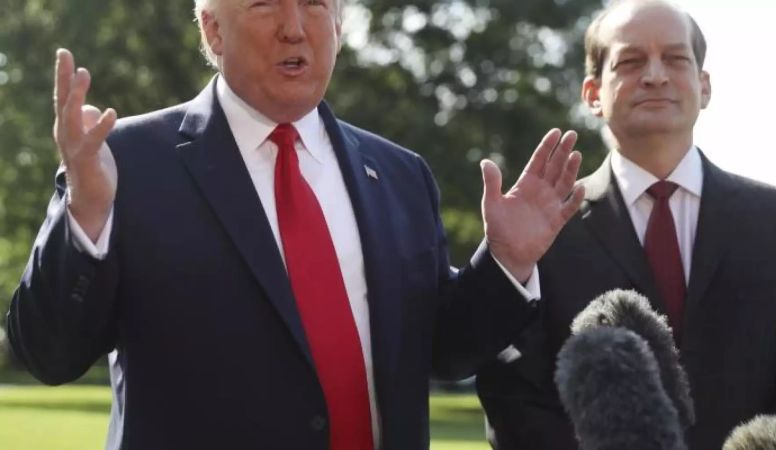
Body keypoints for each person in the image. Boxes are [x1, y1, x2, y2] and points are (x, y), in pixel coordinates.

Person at [5, 1, 586, 449]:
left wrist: (506, 263)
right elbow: (50, 354)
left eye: (315, 4)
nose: (294, 27)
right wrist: (86, 210)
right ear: (212, 30)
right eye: (265, 4)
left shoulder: (401, 175)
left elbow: (442, 354)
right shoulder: (123, 160)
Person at [475, 1, 776, 449]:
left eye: (675, 58)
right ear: (593, 93)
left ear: (704, 85)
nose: (655, 75)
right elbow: (512, 394)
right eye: (631, 62)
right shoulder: (540, 231)